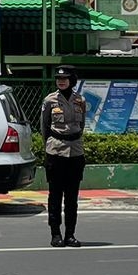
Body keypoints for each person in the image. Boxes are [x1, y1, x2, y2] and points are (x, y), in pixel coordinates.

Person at [40, 66, 88, 247]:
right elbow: (44, 126)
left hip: (75, 152)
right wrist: (50, 146)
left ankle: (70, 234)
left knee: (72, 197)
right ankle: (55, 234)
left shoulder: (80, 100)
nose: (61, 81)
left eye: (65, 78)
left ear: (72, 80)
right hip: (56, 152)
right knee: (55, 196)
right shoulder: (50, 100)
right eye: (58, 78)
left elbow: (81, 125)